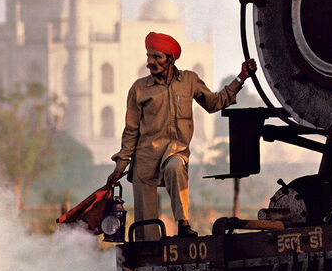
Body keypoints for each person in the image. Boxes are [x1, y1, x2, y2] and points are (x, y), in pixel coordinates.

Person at [109, 31, 257, 239]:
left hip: (174, 151)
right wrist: (120, 165)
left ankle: (183, 224)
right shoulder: (139, 89)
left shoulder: (189, 81)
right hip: (145, 160)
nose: (150, 62)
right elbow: (131, 130)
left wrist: (241, 77)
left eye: (157, 57)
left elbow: (215, 103)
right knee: (146, 233)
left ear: (170, 59)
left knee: (176, 167)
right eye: (149, 57)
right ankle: (148, 263)